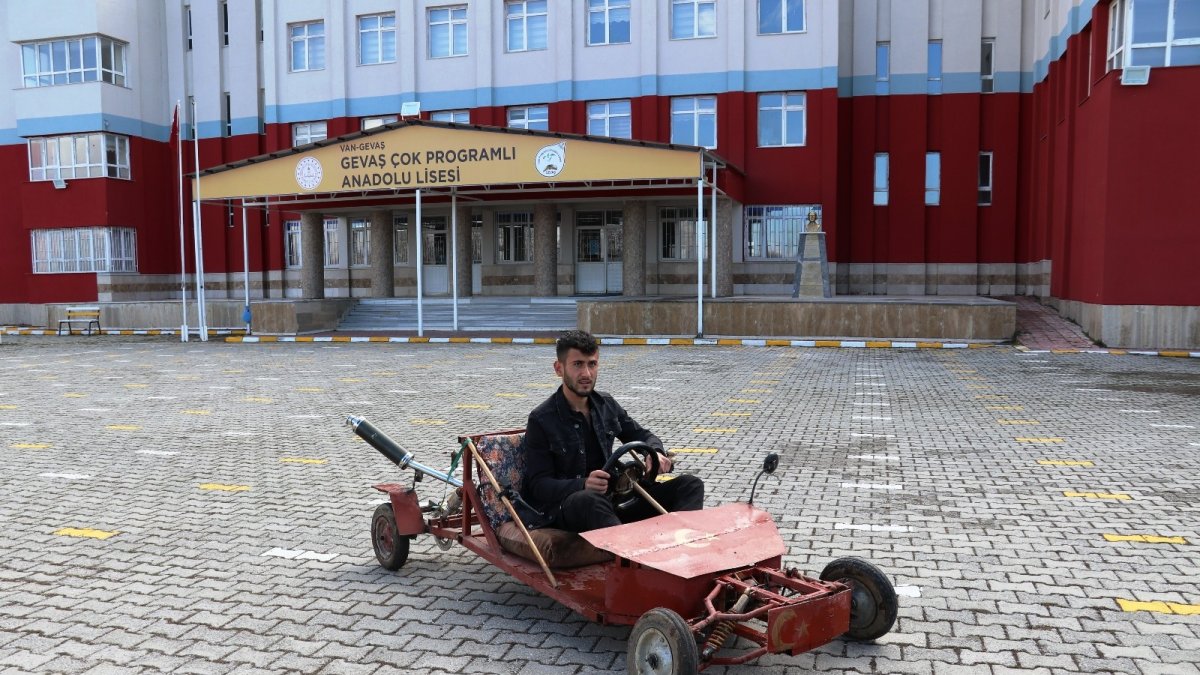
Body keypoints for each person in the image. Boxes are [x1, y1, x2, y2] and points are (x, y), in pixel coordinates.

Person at [523, 330, 704, 533]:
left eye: (592, 364)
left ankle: (685, 547)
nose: (586, 374)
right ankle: (627, 554)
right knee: (591, 500)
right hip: (571, 507)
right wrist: (583, 484)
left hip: (614, 502)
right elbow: (538, 485)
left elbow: (642, 435)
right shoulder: (541, 419)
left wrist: (655, 453)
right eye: (577, 364)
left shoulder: (605, 404)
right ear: (559, 368)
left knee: (691, 485)